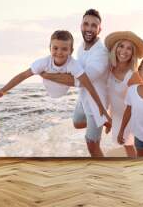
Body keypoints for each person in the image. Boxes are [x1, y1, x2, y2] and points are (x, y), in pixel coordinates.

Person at [0, 30, 111, 127]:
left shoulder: (73, 63)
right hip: (49, 89)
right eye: (55, 48)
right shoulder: (43, 62)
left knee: (80, 74)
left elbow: (88, 85)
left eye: (64, 49)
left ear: (71, 50)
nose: (59, 52)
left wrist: (101, 107)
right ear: (50, 48)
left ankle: (99, 121)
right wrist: (3, 90)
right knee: (39, 70)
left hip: (64, 88)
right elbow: (23, 75)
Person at [40, 9, 110, 157]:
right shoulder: (80, 47)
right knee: (77, 123)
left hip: (97, 104)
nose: (89, 28)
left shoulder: (101, 53)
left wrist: (46, 74)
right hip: (83, 98)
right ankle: (102, 123)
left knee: (92, 145)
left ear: (99, 29)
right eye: (86, 24)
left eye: (94, 25)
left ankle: (104, 173)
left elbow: (82, 80)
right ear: (81, 26)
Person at [104, 31, 143, 157]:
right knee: (128, 147)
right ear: (116, 48)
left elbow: (141, 100)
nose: (124, 51)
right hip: (117, 116)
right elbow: (109, 97)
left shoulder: (133, 76)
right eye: (121, 46)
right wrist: (109, 120)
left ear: (133, 53)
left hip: (131, 118)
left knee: (134, 148)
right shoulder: (108, 69)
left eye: (129, 48)